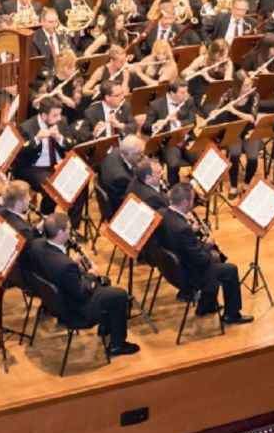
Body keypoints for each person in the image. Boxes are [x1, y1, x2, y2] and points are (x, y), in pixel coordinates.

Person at [31, 212, 140, 356]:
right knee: (120, 295)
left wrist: (73, 263)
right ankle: (117, 345)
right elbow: (81, 293)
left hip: (57, 296)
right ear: (60, 233)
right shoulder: (65, 266)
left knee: (105, 282)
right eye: (69, 229)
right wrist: (91, 274)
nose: (71, 232)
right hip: (74, 308)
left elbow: (58, 267)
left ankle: (106, 326)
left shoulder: (36, 244)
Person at [159, 183, 253, 325]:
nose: (194, 203)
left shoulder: (162, 213)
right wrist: (208, 244)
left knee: (215, 260)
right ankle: (232, 315)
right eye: (192, 200)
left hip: (170, 267)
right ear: (185, 203)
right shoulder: (182, 229)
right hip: (188, 273)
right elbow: (201, 260)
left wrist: (192, 231)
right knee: (230, 270)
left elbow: (178, 237)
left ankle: (207, 305)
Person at [16, 96, 79, 216]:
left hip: (58, 165)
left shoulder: (62, 122)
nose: (59, 118)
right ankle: (46, 218)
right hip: (35, 168)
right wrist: (37, 139)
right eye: (55, 115)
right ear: (44, 116)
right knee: (52, 191)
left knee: (79, 185)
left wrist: (60, 137)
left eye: (59, 114)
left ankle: (72, 225)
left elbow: (72, 144)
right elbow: (20, 153)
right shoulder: (27, 127)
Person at [207, 70, 262, 199]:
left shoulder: (254, 95)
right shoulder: (229, 94)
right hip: (233, 130)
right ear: (238, 85)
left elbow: (251, 118)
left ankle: (247, 183)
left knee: (253, 157)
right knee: (235, 155)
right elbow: (217, 108)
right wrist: (213, 114)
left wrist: (234, 110)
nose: (248, 87)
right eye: (245, 85)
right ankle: (233, 186)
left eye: (249, 84)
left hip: (249, 130)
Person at [145, 78, 198, 187]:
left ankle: (194, 188)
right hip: (168, 142)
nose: (186, 95)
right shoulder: (156, 105)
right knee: (173, 164)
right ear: (171, 93)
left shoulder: (189, 101)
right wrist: (155, 126)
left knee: (200, 160)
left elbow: (193, 122)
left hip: (186, 139)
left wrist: (177, 122)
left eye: (186, 91)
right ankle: (175, 190)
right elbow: (145, 128)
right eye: (182, 92)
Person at [99, 135, 145, 212]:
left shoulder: (116, 151)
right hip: (119, 209)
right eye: (139, 154)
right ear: (129, 155)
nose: (142, 156)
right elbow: (132, 203)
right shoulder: (122, 178)